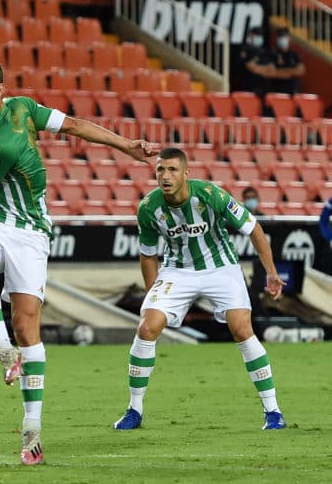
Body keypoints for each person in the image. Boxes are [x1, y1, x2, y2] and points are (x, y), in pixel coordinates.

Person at [0, 54, 156, 465]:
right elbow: (72, 128)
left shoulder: (0, 136)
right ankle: (4, 351)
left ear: (1, 89)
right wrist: (126, 146)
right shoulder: (7, 120)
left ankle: (32, 428)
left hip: (30, 233)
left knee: (28, 328)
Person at [113, 147, 287, 432]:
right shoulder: (148, 208)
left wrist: (271, 273)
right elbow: (148, 254)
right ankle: (134, 409)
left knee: (242, 329)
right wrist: (152, 294)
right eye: (160, 170)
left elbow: (253, 227)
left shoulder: (211, 195)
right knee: (147, 328)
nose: (165, 176)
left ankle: (273, 411)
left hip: (221, 268)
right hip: (177, 270)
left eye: (171, 170)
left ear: (185, 173)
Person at [233, 26, 273, 96]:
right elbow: (253, 68)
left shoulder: (264, 51)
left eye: (260, 35)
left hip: (263, 90)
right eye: (257, 35)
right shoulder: (245, 49)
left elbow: (272, 68)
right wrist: (266, 71)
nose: (259, 37)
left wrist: (264, 70)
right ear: (251, 36)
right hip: (247, 89)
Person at [270, 27, 305, 95]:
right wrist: (292, 72)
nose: (282, 39)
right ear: (276, 39)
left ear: (289, 38)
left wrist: (282, 71)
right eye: (280, 37)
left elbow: (301, 71)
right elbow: (271, 72)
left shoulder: (294, 54)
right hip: (276, 91)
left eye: (284, 37)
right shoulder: (272, 54)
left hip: (292, 91)